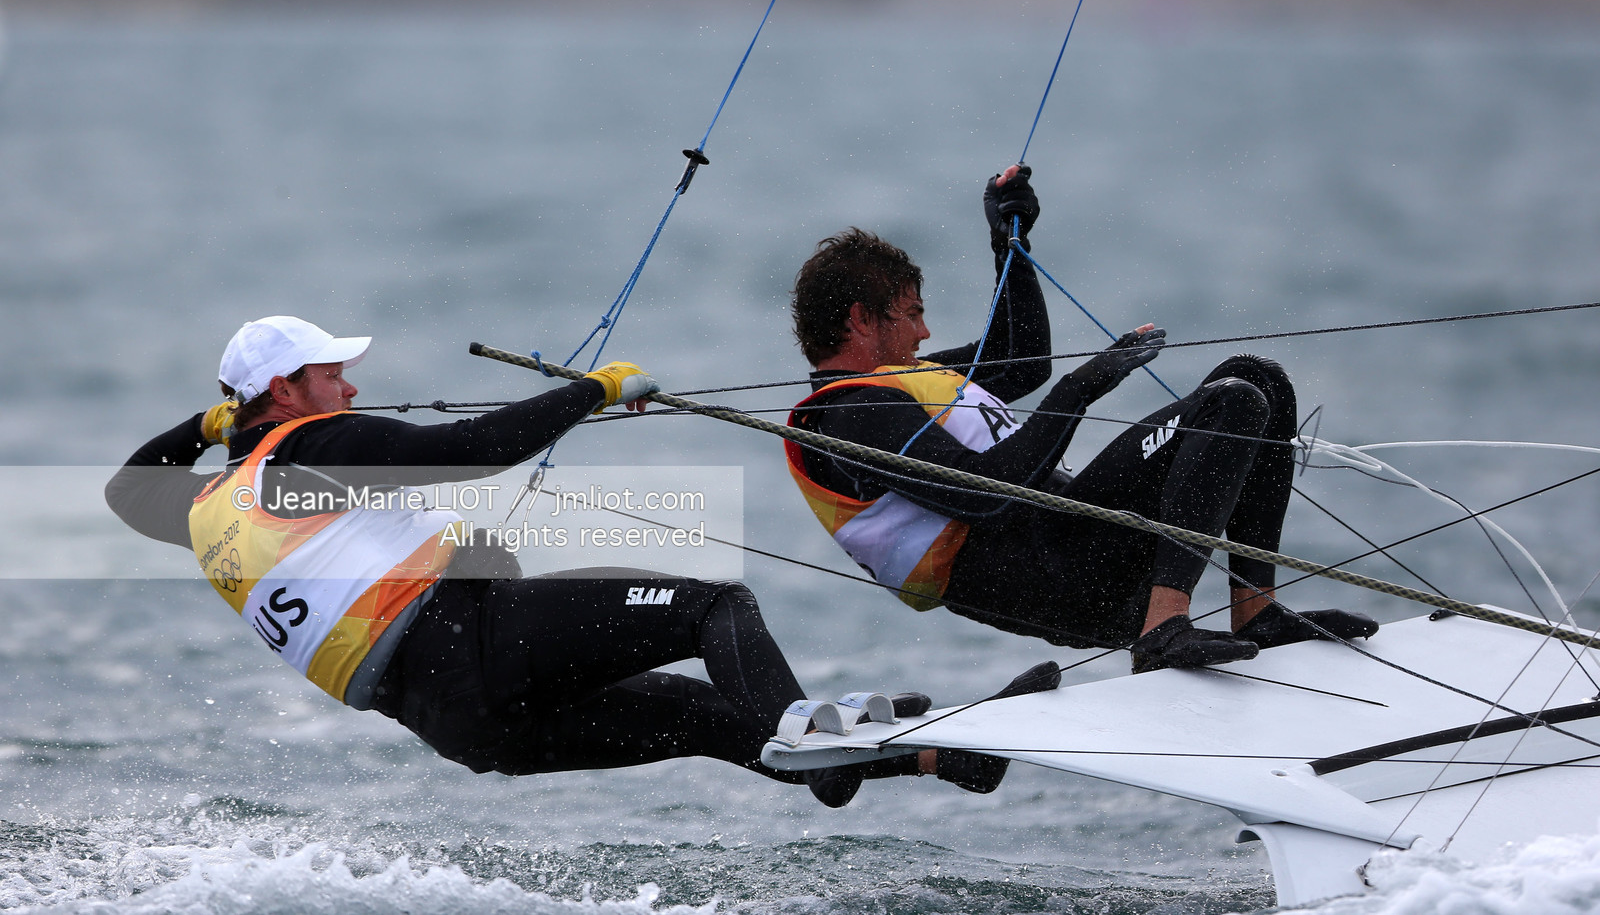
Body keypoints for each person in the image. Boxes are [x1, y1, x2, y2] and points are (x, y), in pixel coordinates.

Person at [105, 314, 1049, 808]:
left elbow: (123, 491)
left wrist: (203, 425)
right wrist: (587, 394)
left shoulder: (206, 508)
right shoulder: (311, 447)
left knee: (712, 721)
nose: (348, 386)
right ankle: (811, 742)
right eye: (328, 375)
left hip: (458, 727)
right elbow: (467, 453)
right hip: (462, 643)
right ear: (285, 389)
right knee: (711, 608)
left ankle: (930, 759)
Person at [785, 166, 1377, 673]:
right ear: (861, 321)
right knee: (1232, 401)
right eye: (911, 315)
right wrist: (1087, 383)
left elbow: (1022, 360)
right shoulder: (850, 418)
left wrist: (1009, 242)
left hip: (1079, 540)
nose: (924, 332)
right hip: (1061, 582)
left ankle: (1256, 610)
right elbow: (989, 496)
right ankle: (1162, 631)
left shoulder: (896, 384)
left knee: (1257, 378)